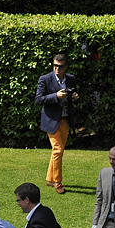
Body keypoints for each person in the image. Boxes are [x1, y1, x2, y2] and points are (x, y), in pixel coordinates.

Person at [35, 53, 79, 195]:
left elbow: (74, 95)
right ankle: (57, 182)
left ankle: (50, 177)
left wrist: (75, 97)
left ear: (66, 67)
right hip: (51, 120)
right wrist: (55, 96)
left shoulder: (71, 79)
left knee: (58, 151)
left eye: (60, 67)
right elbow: (39, 99)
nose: (57, 69)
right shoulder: (45, 79)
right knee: (58, 149)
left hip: (65, 119)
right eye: (54, 66)